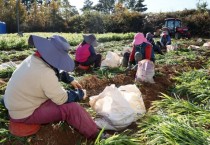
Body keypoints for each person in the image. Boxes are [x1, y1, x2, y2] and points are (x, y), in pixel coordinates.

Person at [3, 35, 99, 139]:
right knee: (72, 108)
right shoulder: (45, 73)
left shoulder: (32, 59)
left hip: (15, 104)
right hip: (24, 114)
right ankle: (95, 134)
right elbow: (61, 99)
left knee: (53, 93)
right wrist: (80, 94)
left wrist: (70, 79)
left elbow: (53, 69)